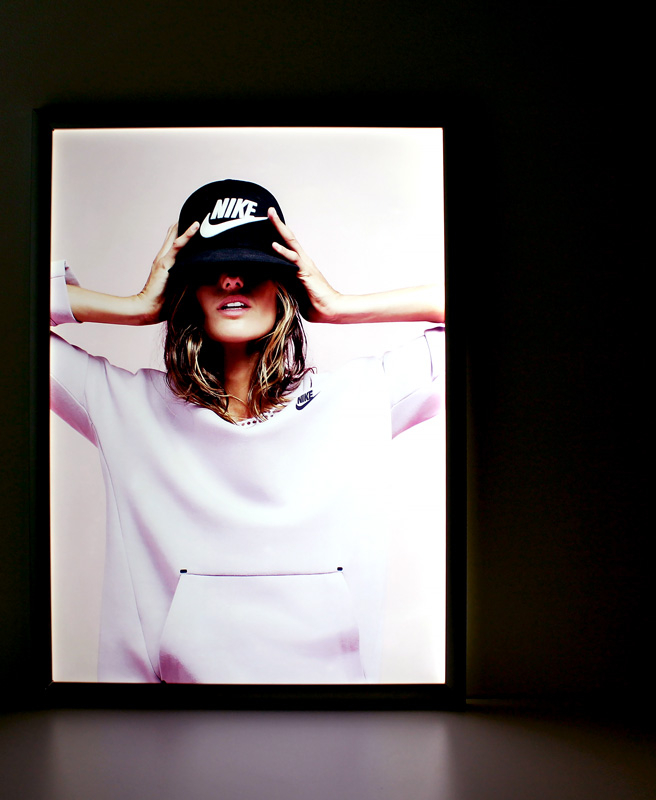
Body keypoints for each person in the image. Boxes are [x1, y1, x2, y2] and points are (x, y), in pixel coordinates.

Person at [50, 179, 445, 684]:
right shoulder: (123, 405)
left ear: (285, 284)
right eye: (210, 268)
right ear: (186, 289)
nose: (231, 280)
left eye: (252, 265)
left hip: (331, 714)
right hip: (167, 719)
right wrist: (136, 306)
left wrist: (339, 305)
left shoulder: (361, 397)